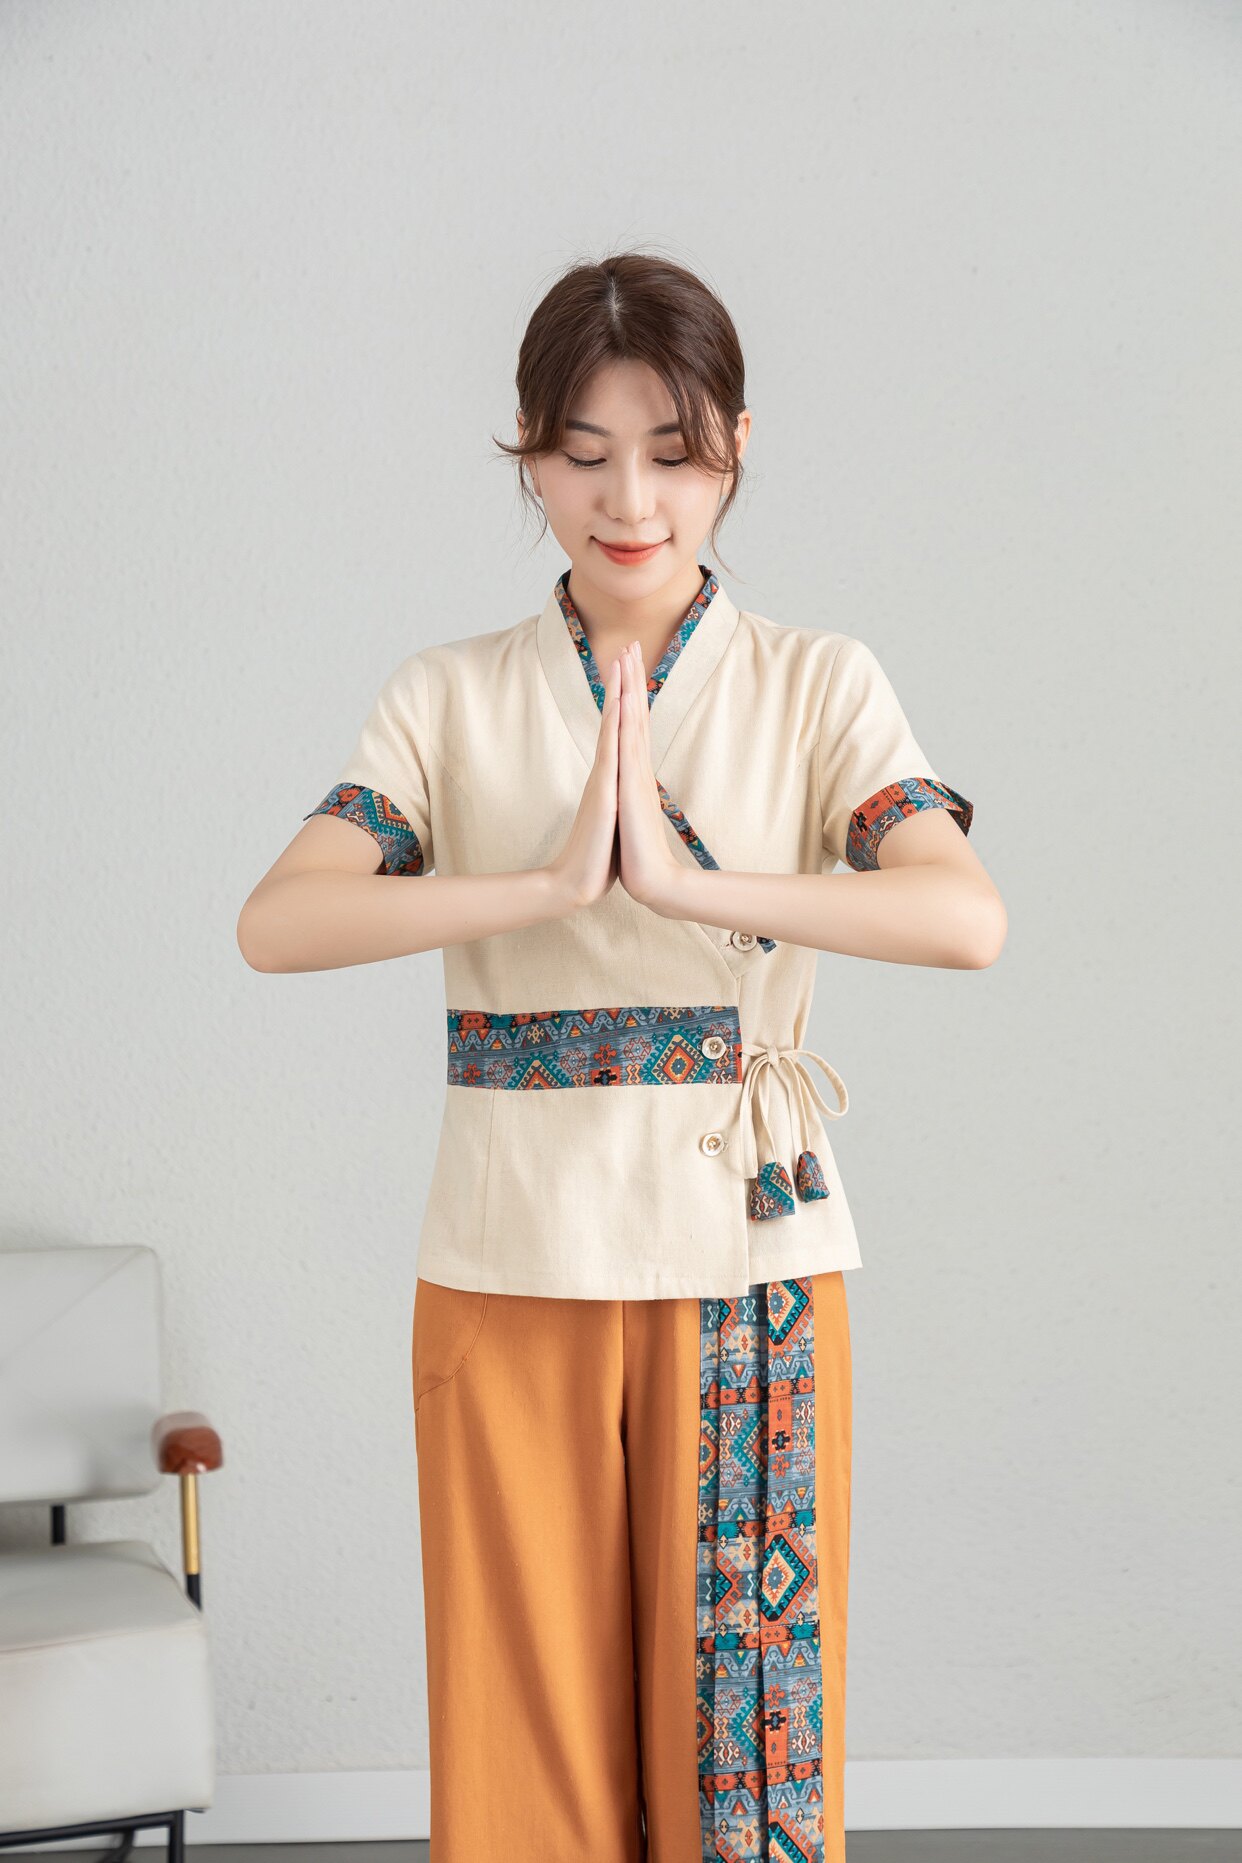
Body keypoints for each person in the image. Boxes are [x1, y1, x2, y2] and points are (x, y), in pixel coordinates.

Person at [237, 250, 1006, 1863]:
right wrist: (541, 885)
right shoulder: (447, 695)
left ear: (737, 449)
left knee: (743, 1774)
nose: (629, 499)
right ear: (528, 455)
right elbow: (279, 922)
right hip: (504, 1255)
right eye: (582, 454)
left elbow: (962, 917)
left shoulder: (818, 681)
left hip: (746, 1263)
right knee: (518, 1756)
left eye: (672, 451)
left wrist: (681, 883)